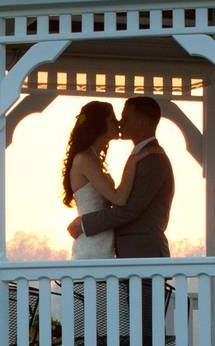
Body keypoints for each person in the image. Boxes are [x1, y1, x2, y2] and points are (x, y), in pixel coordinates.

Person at [67, 96, 174, 346]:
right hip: (123, 259)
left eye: (125, 116)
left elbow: (128, 209)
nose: (121, 122)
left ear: (141, 119)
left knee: (145, 333)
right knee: (127, 333)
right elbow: (121, 202)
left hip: (144, 256)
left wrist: (85, 224)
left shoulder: (153, 158)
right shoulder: (137, 156)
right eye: (117, 117)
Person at [62, 100, 154, 260]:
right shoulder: (84, 159)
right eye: (112, 120)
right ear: (99, 125)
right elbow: (118, 198)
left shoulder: (93, 158)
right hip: (91, 248)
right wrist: (132, 162)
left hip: (103, 244)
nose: (118, 123)